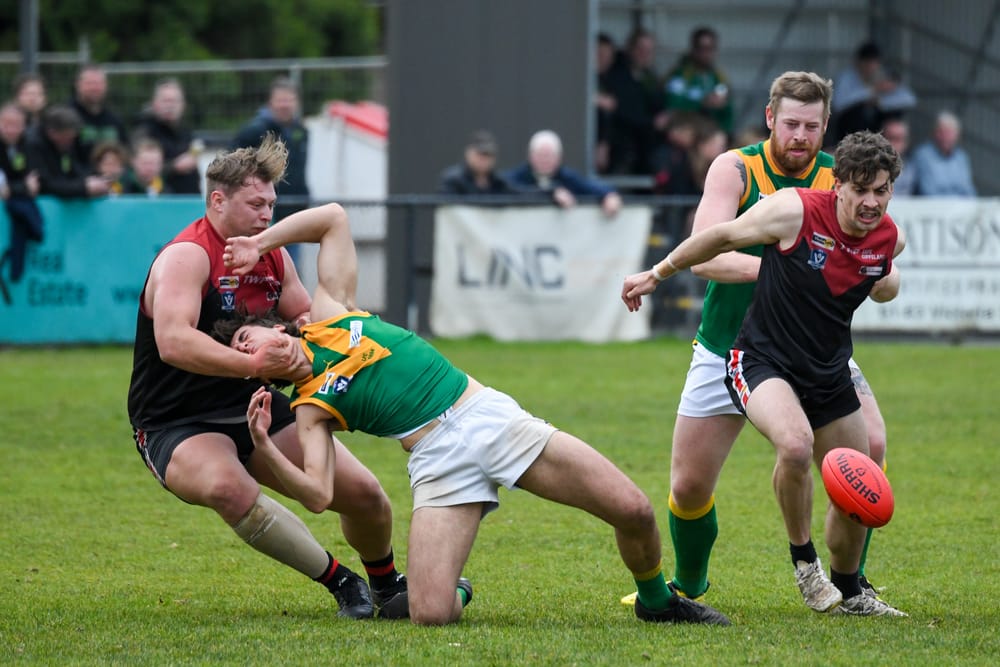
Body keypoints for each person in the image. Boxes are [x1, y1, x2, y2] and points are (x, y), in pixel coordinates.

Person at [215, 202, 731, 627]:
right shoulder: (310, 410)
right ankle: (455, 586)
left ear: (273, 328)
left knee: (634, 510)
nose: (249, 350)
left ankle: (658, 603)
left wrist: (261, 244)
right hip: (437, 459)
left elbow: (332, 218)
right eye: (243, 357)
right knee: (430, 614)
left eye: (245, 338)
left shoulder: (330, 312)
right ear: (259, 378)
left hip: (485, 416)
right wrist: (263, 448)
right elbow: (320, 495)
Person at [619, 72, 898, 614]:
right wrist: (789, 267)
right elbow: (710, 254)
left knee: (871, 452)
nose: (801, 136)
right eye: (790, 123)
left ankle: (850, 585)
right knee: (690, 485)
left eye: (812, 127)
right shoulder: (736, 167)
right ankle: (690, 584)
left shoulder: (841, 178)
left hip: (816, 353)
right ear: (770, 118)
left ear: (826, 128)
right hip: (730, 346)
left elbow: (878, 257)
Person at [126, 134, 407, 621]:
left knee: (365, 497)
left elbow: (308, 320)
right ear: (218, 200)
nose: (267, 215)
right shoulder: (187, 256)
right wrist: (256, 364)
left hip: (254, 403)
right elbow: (173, 342)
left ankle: (387, 585)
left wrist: (316, 337)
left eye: (272, 203)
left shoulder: (272, 256)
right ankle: (341, 582)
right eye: (256, 203)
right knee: (227, 488)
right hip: (177, 420)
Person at [232, 77, 310, 230]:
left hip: (295, 207)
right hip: (263, 210)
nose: (285, 105)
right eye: (280, 100)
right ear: (270, 102)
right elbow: (233, 165)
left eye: (289, 100)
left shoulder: (301, 131)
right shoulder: (254, 131)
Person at [506, 130, 623, 217]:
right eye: (540, 155)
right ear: (530, 156)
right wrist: (551, 193)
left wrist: (609, 195)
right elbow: (507, 188)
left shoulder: (567, 177)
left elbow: (592, 187)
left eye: (549, 155)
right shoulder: (518, 177)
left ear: (559, 158)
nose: (544, 160)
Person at [601, 27, 668, 174]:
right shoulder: (617, 75)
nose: (645, 54)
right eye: (641, 49)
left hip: (647, 146)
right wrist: (652, 122)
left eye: (649, 50)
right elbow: (622, 109)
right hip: (621, 143)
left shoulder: (651, 78)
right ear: (630, 49)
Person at [830, 41, 916, 146]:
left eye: (874, 63)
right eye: (867, 63)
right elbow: (839, 103)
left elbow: (909, 99)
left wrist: (880, 102)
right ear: (858, 62)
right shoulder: (847, 77)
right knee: (856, 112)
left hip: (878, 126)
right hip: (851, 128)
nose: (870, 67)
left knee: (894, 117)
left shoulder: (884, 75)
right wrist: (871, 92)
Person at [24, 104, 111, 198]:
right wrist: (83, 187)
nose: (70, 142)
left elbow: (75, 168)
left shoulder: (70, 141)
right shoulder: (33, 144)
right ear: (52, 132)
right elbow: (45, 184)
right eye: (67, 138)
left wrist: (94, 179)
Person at [133, 78, 203, 194]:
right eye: (166, 101)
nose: (170, 106)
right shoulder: (144, 132)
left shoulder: (186, 132)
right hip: (159, 201)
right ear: (154, 104)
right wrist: (174, 167)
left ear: (183, 105)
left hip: (189, 199)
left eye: (175, 101)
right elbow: (138, 170)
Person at [0, 101, 44, 283]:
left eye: (16, 125)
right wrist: (22, 186)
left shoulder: (29, 145)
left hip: (19, 200)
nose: (11, 130)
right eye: (6, 124)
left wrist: (17, 187)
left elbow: (33, 179)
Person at [663, 27, 735, 137]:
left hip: (712, 135)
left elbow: (728, 110)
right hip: (686, 134)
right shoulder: (681, 75)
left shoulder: (719, 77)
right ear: (694, 49)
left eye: (711, 49)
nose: (706, 54)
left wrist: (722, 105)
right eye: (702, 48)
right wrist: (702, 103)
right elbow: (672, 104)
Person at [69, 64, 130, 168]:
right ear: (77, 85)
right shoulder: (67, 116)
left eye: (99, 83)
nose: (95, 88)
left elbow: (125, 153)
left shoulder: (114, 120)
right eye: (90, 83)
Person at [910, 110, 976, 196]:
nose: (946, 137)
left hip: (960, 207)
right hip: (932, 207)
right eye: (943, 132)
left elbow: (968, 191)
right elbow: (928, 192)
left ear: (957, 135)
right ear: (935, 133)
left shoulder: (961, 157)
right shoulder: (923, 155)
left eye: (950, 132)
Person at [437, 130, 517, 195]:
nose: (483, 159)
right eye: (480, 154)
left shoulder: (498, 183)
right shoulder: (453, 181)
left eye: (488, 154)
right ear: (468, 153)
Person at [880, 117, 915, 195]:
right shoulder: (871, 168)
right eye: (891, 138)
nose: (894, 144)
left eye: (898, 139)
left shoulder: (913, 167)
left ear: (906, 142)